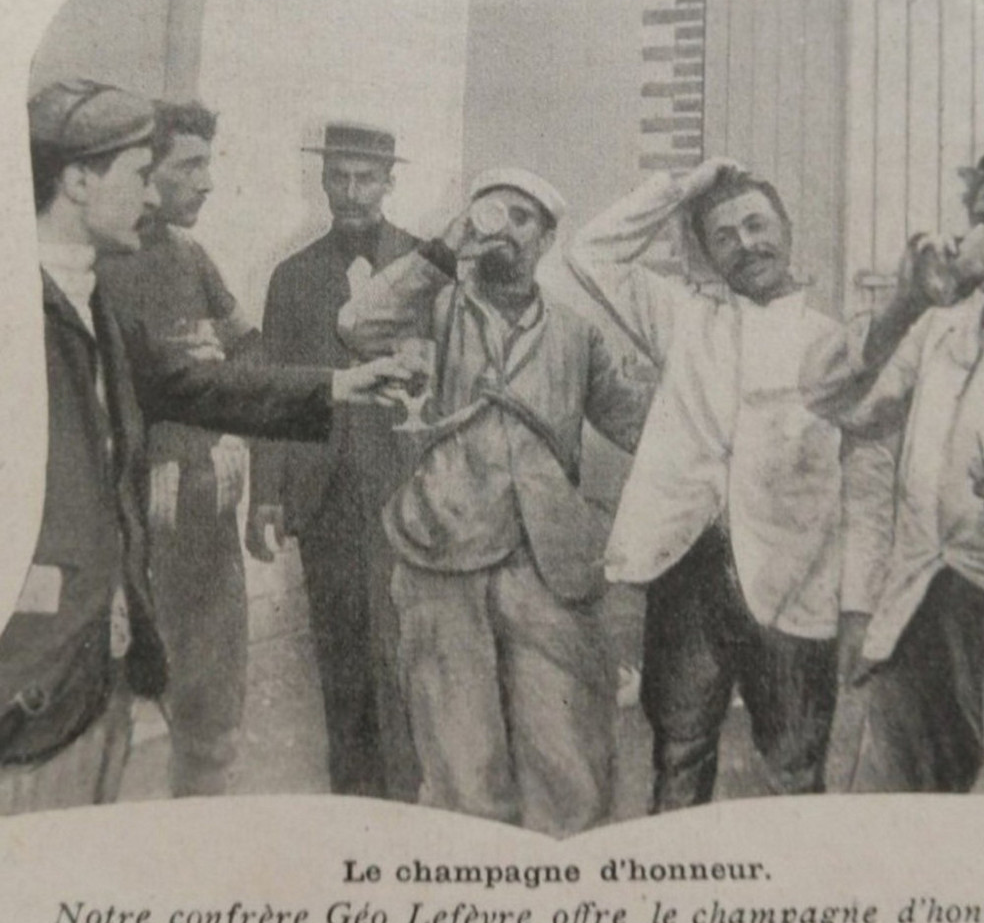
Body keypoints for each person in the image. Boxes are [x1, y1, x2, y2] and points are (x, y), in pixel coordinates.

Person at [0, 79, 412, 815]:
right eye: (144, 174)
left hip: (111, 614)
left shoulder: (95, 289)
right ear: (76, 179)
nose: (163, 196)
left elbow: (197, 382)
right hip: (38, 650)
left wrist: (339, 387)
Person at [568, 159, 894, 810]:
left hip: (795, 583)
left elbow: (865, 490)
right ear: (706, 254)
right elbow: (589, 251)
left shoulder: (835, 345)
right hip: (688, 573)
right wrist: (684, 187)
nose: (745, 244)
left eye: (756, 224)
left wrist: (857, 604)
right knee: (678, 756)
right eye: (723, 235)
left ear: (786, 230)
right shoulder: (684, 319)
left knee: (794, 769)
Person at [338, 167, 654, 836]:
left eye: (522, 220)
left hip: (551, 566)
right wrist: (443, 252)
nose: (504, 232)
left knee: (568, 766)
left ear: (544, 240)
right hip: (442, 555)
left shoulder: (575, 334)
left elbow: (639, 427)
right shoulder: (435, 305)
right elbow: (358, 324)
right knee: (459, 769)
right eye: (492, 214)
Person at [800, 148, 984, 796]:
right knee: (888, 813)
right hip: (919, 600)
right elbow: (835, 399)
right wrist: (905, 302)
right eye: (980, 218)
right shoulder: (944, 329)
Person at [246, 121, 419, 799]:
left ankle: (408, 804)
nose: (351, 192)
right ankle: (352, 804)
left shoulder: (425, 266)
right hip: (327, 496)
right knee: (342, 659)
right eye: (338, 178)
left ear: (387, 181)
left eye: (364, 178)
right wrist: (267, 494)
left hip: (406, 489)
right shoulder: (292, 278)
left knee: (404, 654)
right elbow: (272, 396)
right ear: (321, 182)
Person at [96, 100, 255, 797]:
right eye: (188, 165)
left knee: (212, 720)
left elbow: (245, 345)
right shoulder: (95, 266)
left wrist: (227, 429)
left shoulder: (190, 255)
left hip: (205, 520)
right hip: (126, 519)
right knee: (106, 718)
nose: (208, 182)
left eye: (207, 163)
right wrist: (157, 441)